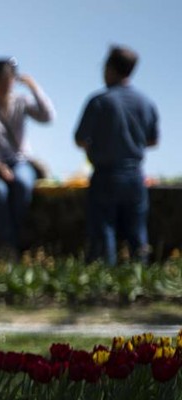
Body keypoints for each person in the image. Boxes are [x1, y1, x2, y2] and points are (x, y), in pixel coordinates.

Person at [75, 45, 161, 264]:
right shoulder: (145, 102)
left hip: (105, 174)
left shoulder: (100, 101)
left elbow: (80, 138)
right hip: (134, 175)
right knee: (137, 235)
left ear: (111, 68)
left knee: (104, 233)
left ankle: (105, 285)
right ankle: (139, 282)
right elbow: (152, 140)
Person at [0, 58, 54, 255]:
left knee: (23, 184)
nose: (5, 84)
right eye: (0, 79)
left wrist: (34, 87)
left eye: (9, 79)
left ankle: (19, 237)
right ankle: (8, 243)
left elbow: (48, 116)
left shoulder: (22, 102)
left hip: (19, 160)